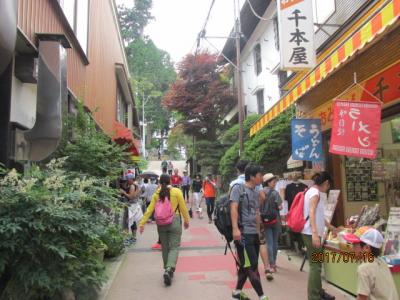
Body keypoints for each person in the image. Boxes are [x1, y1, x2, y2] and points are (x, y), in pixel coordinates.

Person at [139, 174, 190, 286]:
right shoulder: (176, 192)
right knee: (175, 246)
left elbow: (149, 210)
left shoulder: (157, 194)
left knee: (165, 247)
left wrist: (142, 223)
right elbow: (183, 208)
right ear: (170, 181)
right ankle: (169, 269)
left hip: (161, 223)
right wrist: (187, 220)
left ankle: (167, 269)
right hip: (175, 221)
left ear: (160, 182)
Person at [230, 164, 268, 300]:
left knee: (247, 266)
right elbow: (233, 208)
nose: (262, 177)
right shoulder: (238, 189)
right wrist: (235, 229)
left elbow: (257, 212)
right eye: (259, 175)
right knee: (252, 266)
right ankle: (262, 296)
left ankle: (236, 293)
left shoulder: (257, 190)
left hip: (253, 233)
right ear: (252, 177)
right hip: (243, 233)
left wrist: (259, 232)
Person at [302, 171, 337, 300]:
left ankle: (319, 292)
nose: (327, 189)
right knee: (315, 266)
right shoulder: (315, 193)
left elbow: (318, 214)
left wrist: (330, 227)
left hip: (311, 233)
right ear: (326, 183)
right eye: (328, 186)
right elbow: (311, 212)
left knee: (316, 264)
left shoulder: (311, 191)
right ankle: (314, 296)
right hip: (311, 234)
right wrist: (315, 234)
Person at [344, 228, 400, 300]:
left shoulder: (364, 268)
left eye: (354, 245)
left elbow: (362, 298)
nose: (352, 248)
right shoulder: (381, 261)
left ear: (366, 248)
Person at [261, 173, 283, 274]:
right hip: (275, 220)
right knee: (274, 242)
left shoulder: (260, 192)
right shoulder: (275, 193)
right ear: (268, 182)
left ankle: (271, 264)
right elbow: (280, 206)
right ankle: (273, 263)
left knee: (268, 242)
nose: (275, 184)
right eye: (273, 182)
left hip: (264, 220)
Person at [285, 172, 308, 253]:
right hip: (303, 210)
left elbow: (286, 199)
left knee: (294, 227)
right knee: (302, 227)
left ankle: (297, 246)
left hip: (292, 210)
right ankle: (302, 245)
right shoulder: (305, 187)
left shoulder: (288, 187)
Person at [120, 173, 142, 244]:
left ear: (131, 179)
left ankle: (132, 237)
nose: (126, 181)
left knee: (130, 221)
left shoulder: (132, 186)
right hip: (133, 205)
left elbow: (131, 197)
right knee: (132, 221)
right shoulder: (135, 185)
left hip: (131, 206)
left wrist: (124, 192)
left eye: (127, 179)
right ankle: (133, 237)